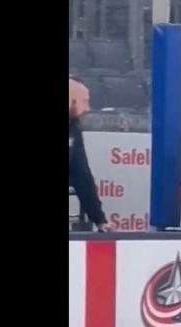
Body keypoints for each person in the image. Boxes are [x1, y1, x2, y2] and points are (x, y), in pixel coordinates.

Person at [69, 77, 111, 232]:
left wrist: (100, 220)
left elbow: (82, 176)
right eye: (84, 101)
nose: (87, 108)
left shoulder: (73, 130)